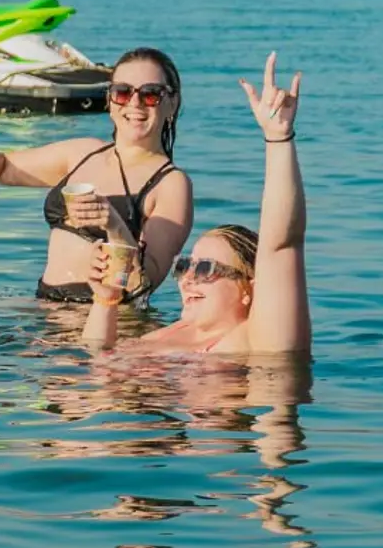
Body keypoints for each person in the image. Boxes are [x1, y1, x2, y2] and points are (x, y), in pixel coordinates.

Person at [84, 53, 309, 354]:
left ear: (250, 288)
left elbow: (282, 243)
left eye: (205, 269)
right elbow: (95, 357)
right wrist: (106, 298)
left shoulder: (255, 341)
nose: (187, 279)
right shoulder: (169, 334)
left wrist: (278, 138)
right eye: (185, 266)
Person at [0, 47, 194, 304]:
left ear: (172, 103)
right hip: (46, 307)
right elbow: (5, 167)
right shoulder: (82, 153)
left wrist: (114, 225)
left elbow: (144, 282)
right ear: (110, 100)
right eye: (123, 92)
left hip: (102, 322)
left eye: (151, 95)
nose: (134, 103)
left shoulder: (171, 184)